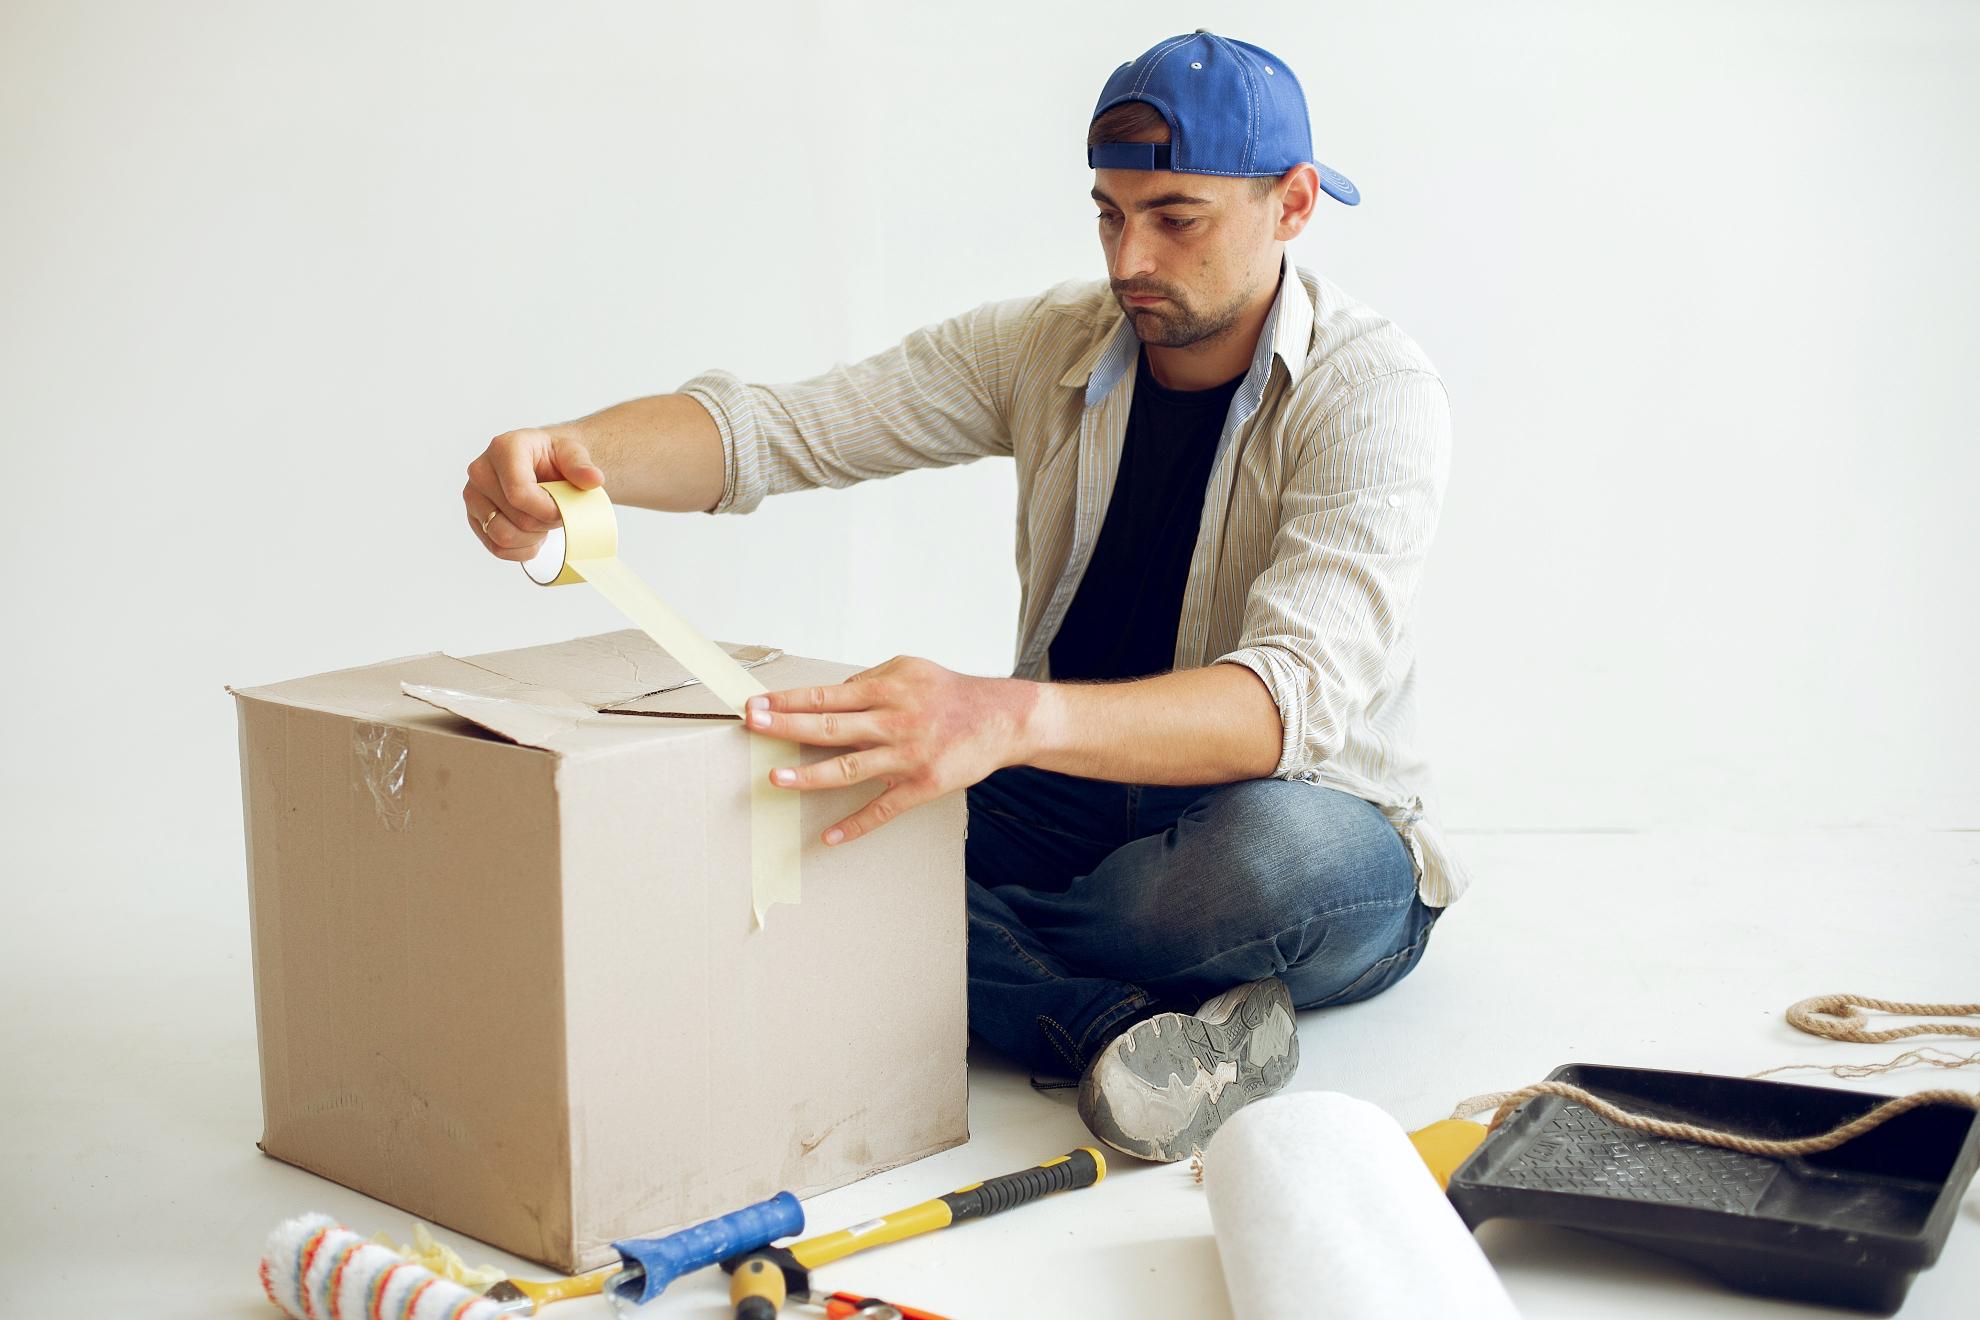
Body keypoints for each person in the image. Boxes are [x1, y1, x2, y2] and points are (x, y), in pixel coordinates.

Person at [461, 29, 1466, 1163]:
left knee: (1268, 872)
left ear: (1291, 205)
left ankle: (970, 956)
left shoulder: (1373, 391)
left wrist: (1007, 715)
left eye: (1175, 218)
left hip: (1299, 811)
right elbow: (781, 430)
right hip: (1068, 789)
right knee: (808, 839)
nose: (1128, 256)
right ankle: (1113, 1026)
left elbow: (1282, 705)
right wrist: (571, 451)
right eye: (1107, 213)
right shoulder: (1051, 344)